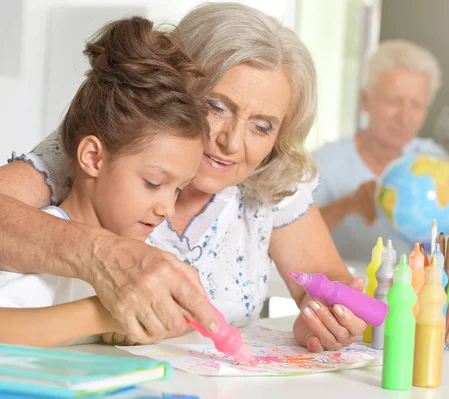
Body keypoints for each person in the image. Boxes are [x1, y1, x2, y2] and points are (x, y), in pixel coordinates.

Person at [0, 2, 365, 351]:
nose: (231, 142)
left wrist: (328, 319)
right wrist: (102, 266)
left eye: (262, 126)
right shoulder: (111, 144)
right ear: (176, 85)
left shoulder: (271, 176)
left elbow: (324, 284)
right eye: (216, 106)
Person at [0, 17, 209, 347]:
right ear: (93, 158)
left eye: (179, 189)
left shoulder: (137, 259)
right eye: (153, 183)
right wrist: (101, 315)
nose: (167, 208)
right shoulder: (28, 248)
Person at [313, 40, 448, 262]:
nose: (404, 118)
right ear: (365, 101)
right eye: (394, 101)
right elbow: (284, 235)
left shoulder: (437, 163)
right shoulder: (323, 165)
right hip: (347, 291)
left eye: (417, 105)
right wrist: (347, 205)